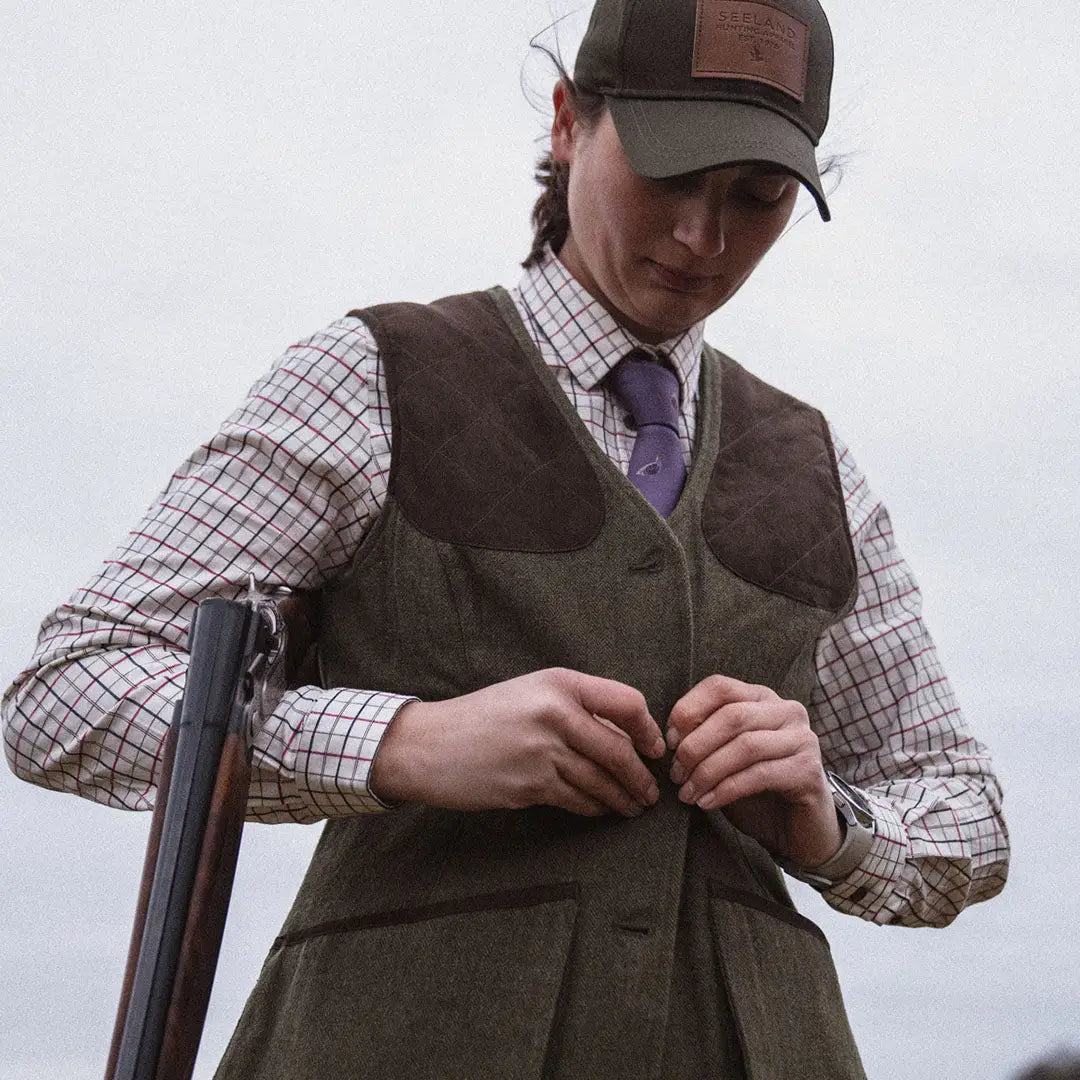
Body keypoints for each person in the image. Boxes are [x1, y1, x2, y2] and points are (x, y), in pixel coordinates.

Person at [3, 0, 1009, 1077]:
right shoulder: (368, 378)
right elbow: (66, 690)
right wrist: (404, 743)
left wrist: (824, 817)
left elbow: (966, 816)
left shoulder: (819, 466)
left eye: (757, 197)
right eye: (671, 174)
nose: (703, 237)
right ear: (570, 120)